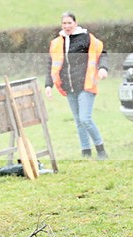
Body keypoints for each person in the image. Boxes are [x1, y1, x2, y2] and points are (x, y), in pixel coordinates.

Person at [44, 11, 109, 159]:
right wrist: (48, 85)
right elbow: (51, 65)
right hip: (69, 87)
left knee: (85, 119)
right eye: (64, 23)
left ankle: (101, 149)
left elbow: (102, 53)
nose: (67, 26)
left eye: (69, 23)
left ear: (75, 23)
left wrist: (104, 69)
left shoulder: (86, 38)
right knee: (79, 121)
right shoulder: (57, 43)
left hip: (86, 85)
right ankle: (85, 152)